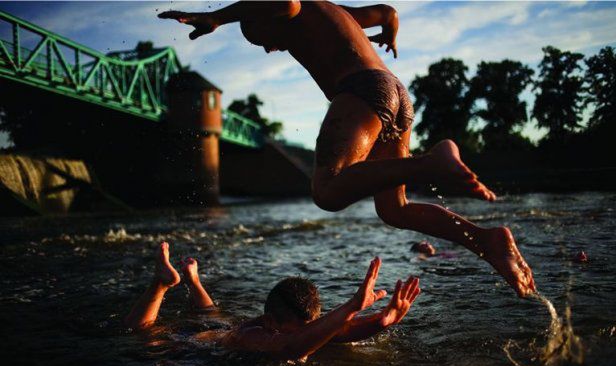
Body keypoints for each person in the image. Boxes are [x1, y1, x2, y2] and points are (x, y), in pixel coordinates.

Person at [158, 1, 536, 297]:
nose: (270, 49)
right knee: (394, 209)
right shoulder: (336, 11)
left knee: (326, 190)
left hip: (363, 90)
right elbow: (389, 13)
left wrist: (217, 18)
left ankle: (431, 162)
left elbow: (285, 3)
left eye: (260, 37)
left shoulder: (293, 6)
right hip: (396, 93)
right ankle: (485, 239)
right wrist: (390, 36)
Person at [125, 243, 421, 361]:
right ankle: (161, 285)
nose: (306, 335)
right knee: (145, 335)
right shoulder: (251, 337)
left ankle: (193, 279)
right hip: (197, 342)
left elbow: (336, 331)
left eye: (306, 328)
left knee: (212, 313)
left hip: (223, 328)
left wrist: (383, 320)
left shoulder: (294, 326)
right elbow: (291, 347)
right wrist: (353, 305)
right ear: (270, 324)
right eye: (293, 330)